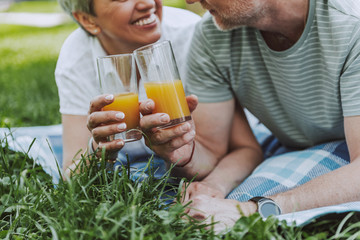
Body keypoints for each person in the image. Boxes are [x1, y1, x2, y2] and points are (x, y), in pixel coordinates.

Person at [137, 0, 360, 231]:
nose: (190, 1)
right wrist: (183, 153)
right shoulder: (212, 35)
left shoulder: (351, 25)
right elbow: (214, 150)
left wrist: (253, 209)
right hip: (292, 148)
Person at [55, 0, 201, 177]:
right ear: (87, 20)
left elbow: (225, 150)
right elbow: (70, 173)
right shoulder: (76, 59)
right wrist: (97, 151)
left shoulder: (191, 33)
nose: (147, 3)